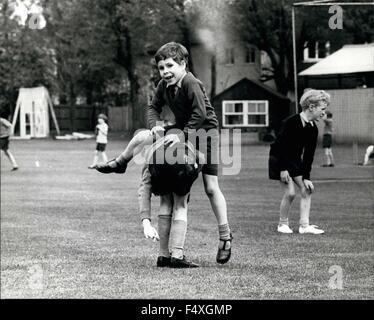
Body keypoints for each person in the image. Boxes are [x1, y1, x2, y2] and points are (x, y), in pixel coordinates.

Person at [96, 42, 233, 264]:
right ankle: (120, 162)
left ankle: (225, 237)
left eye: (169, 66)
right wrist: (154, 126)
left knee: (210, 187)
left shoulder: (191, 83)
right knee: (142, 136)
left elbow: (199, 115)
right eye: (161, 68)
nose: (165, 71)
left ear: (183, 63)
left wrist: (180, 136)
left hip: (205, 133)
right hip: (182, 129)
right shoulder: (163, 85)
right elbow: (153, 108)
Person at [269, 89, 330, 235]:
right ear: (311, 107)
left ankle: (304, 226)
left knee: (307, 189)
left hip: (295, 161)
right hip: (280, 160)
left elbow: (309, 155)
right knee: (290, 193)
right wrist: (283, 169)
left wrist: (306, 177)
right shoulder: (290, 122)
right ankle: (282, 224)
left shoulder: (313, 129)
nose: (324, 113)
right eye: (322, 109)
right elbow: (280, 146)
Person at [142, 140, 203, 268]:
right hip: (184, 157)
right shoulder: (191, 144)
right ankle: (177, 255)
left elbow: (144, 189)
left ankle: (163, 255)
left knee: (165, 202)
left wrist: (145, 222)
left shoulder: (150, 153)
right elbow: (201, 158)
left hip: (158, 160)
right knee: (181, 205)